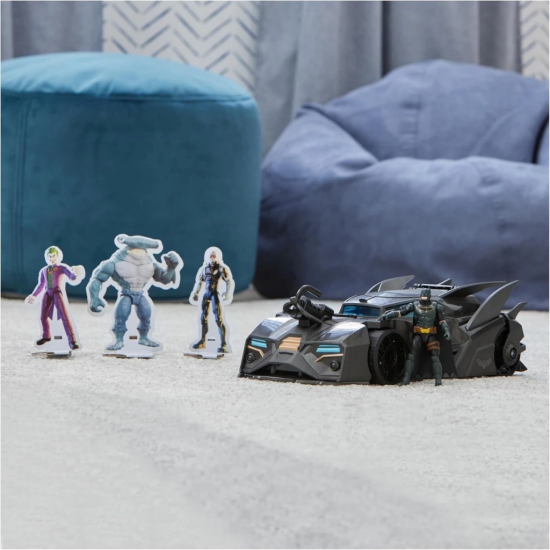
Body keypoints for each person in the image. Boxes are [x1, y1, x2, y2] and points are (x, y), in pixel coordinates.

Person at [87, 234, 182, 351]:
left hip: (140, 293)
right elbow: (97, 279)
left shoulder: (150, 264)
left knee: (146, 315)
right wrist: (95, 297)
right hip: (126, 293)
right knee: (121, 317)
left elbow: (165, 279)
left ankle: (144, 338)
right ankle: (119, 340)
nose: (139, 250)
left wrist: (171, 268)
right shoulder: (114, 263)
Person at [379, 287, 451, 386]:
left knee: (435, 356)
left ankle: (438, 380)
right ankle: (406, 379)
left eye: (425, 296)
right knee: (411, 356)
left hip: (430, 334)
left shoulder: (436, 306)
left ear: (429, 296)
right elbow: (400, 312)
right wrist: (387, 316)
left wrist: (447, 331)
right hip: (418, 334)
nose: (424, 298)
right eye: (423, 296)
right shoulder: (414, 305)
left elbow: (442, 321)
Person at [26, 246, 83, 350]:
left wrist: (75, 273)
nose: (52, 258)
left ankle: (72, 340)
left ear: (57, 256)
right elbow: (41, 285)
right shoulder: (44, 270)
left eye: (53, 256)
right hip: (47, 293)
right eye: (50, 256)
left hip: (57, 292)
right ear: (47, 257)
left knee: (64, 316)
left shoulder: (61, 267)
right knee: (42, 316)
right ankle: (46, 335)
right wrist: (34, 295)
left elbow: (71, 276)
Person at [190, 247, 234, 353]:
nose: (212, 258)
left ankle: (223, 343)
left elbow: (228, 281)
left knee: (219, 319)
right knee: (203, 318)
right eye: (211, 256)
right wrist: (196, 293)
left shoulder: (221, 268)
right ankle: (202, 340)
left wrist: (227, 293)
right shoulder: (204, 269)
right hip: (206, 293)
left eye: (214, 256)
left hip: (215, 294)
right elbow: (199, 282)